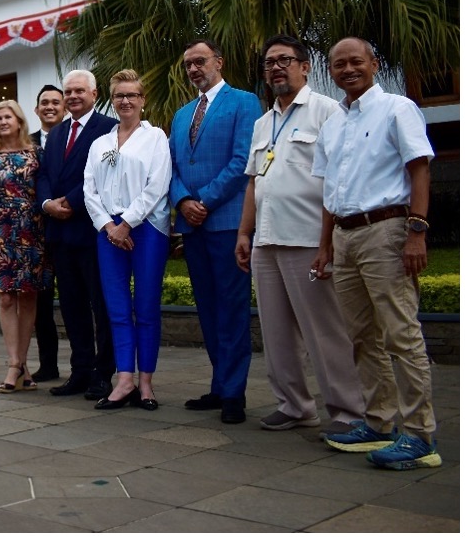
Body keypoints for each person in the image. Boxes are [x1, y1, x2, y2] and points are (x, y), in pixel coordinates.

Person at [313, 37, 440, 470]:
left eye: (356, 61)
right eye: (338, 64)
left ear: (374, 64)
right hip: (345, 236)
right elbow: (329, 191)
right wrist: (325, 245)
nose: (347, 69)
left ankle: (419, 435)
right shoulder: (334, 124)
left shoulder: (397, 109)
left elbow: (419, 168)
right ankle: (378, 422)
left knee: (401, 334)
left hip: (386, 230)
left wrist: (417, 231)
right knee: (362, 336)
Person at [234, 36, 364, 433]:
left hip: (307, 238)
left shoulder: (327, 112)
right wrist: (244, 233)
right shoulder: (264, 122)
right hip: (267, 240)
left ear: (305, 67)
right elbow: (254, 181)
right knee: (276, 333)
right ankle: (294, 405)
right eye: (269, 62)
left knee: (324, 331)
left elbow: (336, 179)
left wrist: (327, 241)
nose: (276, 67)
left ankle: (347, 411)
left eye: (285, 60)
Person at [169, 39, 262, 424]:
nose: (193, 69)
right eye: (188, 64)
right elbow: (172, 167)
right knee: (207, 308)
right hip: (192, 227)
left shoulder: (244, 102)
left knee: (232, 308)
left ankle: (235, 393)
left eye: (200, 61)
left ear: (219, 62)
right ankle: (219, 384)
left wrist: (203, 201)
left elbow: (243, 160)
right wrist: (182, 201)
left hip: (227, 222)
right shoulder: (181, 115)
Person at [83, 70, 171, 411]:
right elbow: (90, 190)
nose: (125, 101)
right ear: (112, 100)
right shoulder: (100, 144)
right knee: (117, 308)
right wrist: (109, 226)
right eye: (119, 95)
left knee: (146, 307)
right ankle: (124, 380)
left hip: (147, 229)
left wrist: (128, 223)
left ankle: (145, 383)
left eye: (132, 95)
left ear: (142, 99)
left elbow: (158, 184)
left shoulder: (155, 138)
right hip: (108, 232)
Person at [36, 70, 117, 401]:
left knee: (102, 307)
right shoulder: (57, 133)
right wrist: (47, 204)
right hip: (60, 234)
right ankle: (80, 371)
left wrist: (69, 201)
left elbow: (103, 176)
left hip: (92, 231)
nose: (72, 96)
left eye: (79, 91)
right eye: (68, 91)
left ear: (94, 94)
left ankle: (103, 374)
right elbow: (44, 174)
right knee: (71, 308)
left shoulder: (109, 129)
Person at [0, 100, 45, 393]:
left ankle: (20, 363)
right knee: (6, 298)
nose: (3, 122)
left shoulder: (36, 154)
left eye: (8, 117)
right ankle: (14, 363)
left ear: (19, 121)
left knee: (28, 297)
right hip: (0, 234)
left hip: (32, 232)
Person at [29, 84, 64, 382]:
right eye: (45, 102)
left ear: (63, 108)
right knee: (40, 305)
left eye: (55, 102)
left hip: (68, 228)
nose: (50, 107)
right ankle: (48, 365)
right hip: (33, 234)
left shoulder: (75, 137)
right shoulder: (24, 143)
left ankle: (85, 367)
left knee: (75, 301)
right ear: (36, 109)